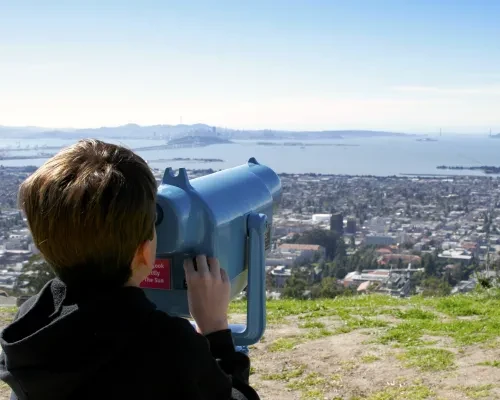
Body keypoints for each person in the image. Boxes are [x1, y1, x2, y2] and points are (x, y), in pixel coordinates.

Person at [0, 139, 260, 400]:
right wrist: (216, 331)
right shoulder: (167, 346)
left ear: (42, 246)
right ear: (144, 251)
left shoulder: (30, 324)